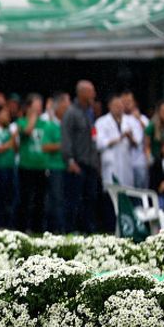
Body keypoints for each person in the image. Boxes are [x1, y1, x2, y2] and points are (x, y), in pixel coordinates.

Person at [61, 80, 101, 233]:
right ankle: (70, 230)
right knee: (74, 200)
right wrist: (69, 160)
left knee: (90, 199)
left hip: (90, 164)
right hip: (77, 163)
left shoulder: (90, 112)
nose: (94, 94)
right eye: (91, 91)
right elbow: (66, 138)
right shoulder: (71, 113)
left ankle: (88, 230)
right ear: (82, 93)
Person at [16, 93, 48, 233]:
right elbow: (27, 132)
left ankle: (38, 228)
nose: (40, 107)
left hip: (41, 166)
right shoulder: (21, 122)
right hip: (26, 166)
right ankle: (23, 227)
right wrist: (32, 118)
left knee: (40, 199)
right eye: (37, 104)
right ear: (29, 107)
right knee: (25, 198)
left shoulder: (45, 123)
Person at [96, 95, 140, 190]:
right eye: (116, 106)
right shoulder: (101, 122)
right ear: (109, 106)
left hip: (126, 163)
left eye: (120, 106)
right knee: (111, 192)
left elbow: (138, 143)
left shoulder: (131, 121)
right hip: (110, 162)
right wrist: (119, 138)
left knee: (127, 191)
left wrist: (130, 138)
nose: (119, 108)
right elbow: (99, 143)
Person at [43, 92, 69, 233]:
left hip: (67, 166)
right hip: (54, 167)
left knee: (65, 199)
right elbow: (45, 146)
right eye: (65, 106)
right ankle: (57, 229)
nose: (68, 109)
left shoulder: (66, 125)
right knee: (56, 199)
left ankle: (64, 226)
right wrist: (62, 145)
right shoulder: (50, 126)